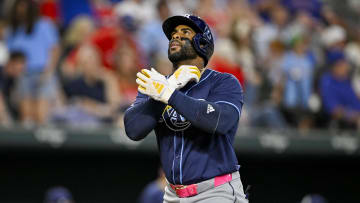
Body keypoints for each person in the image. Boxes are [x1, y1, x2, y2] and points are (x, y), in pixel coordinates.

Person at [124, 14, 248, 203]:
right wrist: (167, 89)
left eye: (185, 32)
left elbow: (221, 122)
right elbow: (133, 130)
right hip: (173, 194)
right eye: (173, 33)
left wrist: (170, 95)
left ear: (202, 43)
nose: (176, 36)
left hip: (215, 191)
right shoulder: (157, 84)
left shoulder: (222, 82)